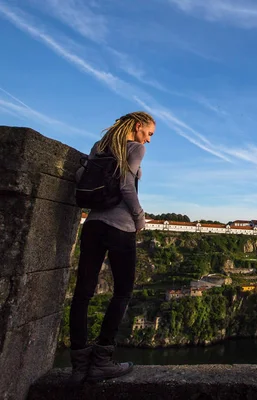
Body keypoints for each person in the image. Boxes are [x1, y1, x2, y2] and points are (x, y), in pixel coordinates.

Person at [69, 111, 155, 384]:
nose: (149, 140)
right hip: (120, 228)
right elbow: (127, 187)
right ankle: (102, 360)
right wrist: (140, 219)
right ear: (138, 127)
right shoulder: (135, 148)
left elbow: (80, 174)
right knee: (123, 292)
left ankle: (79, 364)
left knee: (82, 293)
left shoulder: (99, 147)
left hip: (93, 225)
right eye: (149, 133)